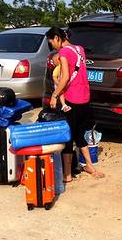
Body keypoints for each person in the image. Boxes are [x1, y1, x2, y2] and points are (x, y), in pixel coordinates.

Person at [45, 27, 105, 180]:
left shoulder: (64, 52)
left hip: (72, 99)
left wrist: (54, 95)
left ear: (57, 37)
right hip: (84, 97)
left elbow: (65, 77)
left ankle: (67, 174)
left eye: (52, 42)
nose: (53, 46)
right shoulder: (80, 49)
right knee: (79, 133)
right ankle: (90, 166)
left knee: (68, 136)